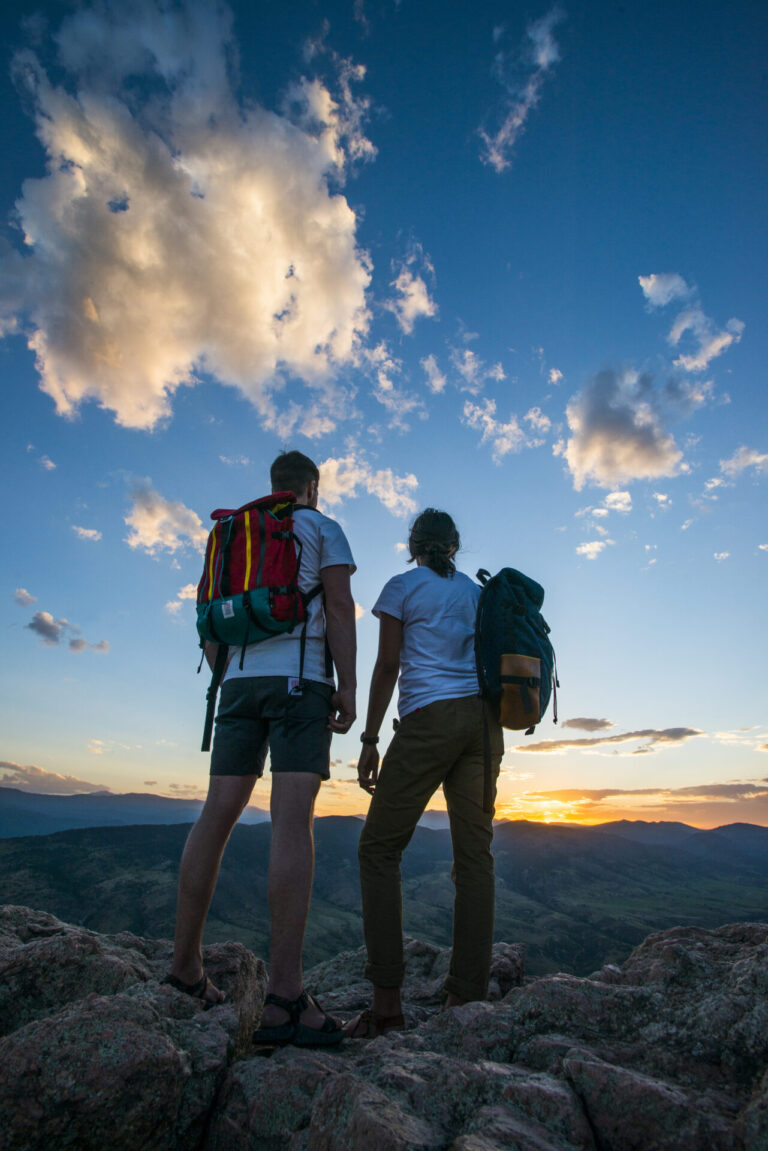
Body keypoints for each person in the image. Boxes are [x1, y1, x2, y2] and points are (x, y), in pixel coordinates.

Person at [165, 450, 356, 1047]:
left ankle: (184, 970)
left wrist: (230, 679)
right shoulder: (322, 528)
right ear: (312, 488)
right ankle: (285, 997)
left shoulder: (230, 535)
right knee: (291, 822)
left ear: (273, 486)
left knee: (216, 814)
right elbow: (342, 607)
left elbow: (208, 619)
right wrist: (347, 687)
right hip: (300, 684)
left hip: (238, 686)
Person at [345, 508, 504, 1038]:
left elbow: (388, 666)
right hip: (482, 726)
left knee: (378, 850)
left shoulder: (402, 587)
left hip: (427, 721)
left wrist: (369, 739)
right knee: (475, 860)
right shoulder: (476, 595)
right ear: (455, 546)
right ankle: (465, 1002)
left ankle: (387, 1005)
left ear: (412, 544)